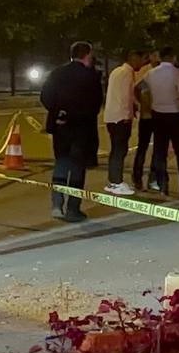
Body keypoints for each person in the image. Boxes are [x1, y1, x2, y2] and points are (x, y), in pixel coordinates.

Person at [40, 41, 104, 222]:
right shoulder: (90, 76)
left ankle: (57, 205)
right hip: (81, 129)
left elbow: (45, 96)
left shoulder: (57, 73)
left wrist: (58, 111)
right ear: (87, 55)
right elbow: (95, 104)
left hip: (61, 127)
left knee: (61, 163)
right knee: (77, 169)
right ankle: (73, 209)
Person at [147, 47, 179, 198]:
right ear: (173, 57)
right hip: (175, 115)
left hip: (157, 115)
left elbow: (140, 88)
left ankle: (163, 185)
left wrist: (147, 103)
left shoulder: (151, 73)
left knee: (160, 152)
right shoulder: (177, 73)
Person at [102, 50, 147, 196]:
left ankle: (114, 181)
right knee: (119, 150)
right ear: (134, 58)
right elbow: (125, 96)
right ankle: (116, 182)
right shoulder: (127, 73)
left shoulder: (117, 71)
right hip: (120, 118)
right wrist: (129, 115)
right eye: (141, 60)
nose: (142, 63)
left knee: (116, 150)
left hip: (111, 117)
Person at [131, 51, 157, 190]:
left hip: (158, 114)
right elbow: (135, 88)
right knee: (143, 146)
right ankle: (137, 176)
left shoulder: (161, 70)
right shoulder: (145, 71)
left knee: (158, 148)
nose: (156, 58)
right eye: (154, 55)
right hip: (147, 115)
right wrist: (139, 104)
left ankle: (153, 178)